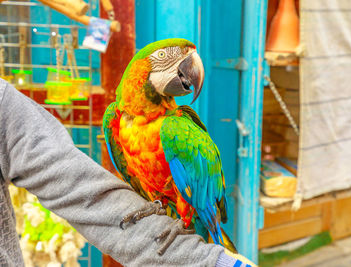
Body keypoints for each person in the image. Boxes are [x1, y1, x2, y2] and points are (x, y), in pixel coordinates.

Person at [0, 79, 255, 266]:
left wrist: (216, 261)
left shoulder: (176, 125)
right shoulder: (116, 121)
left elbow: (80, 191)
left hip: (190, 214)